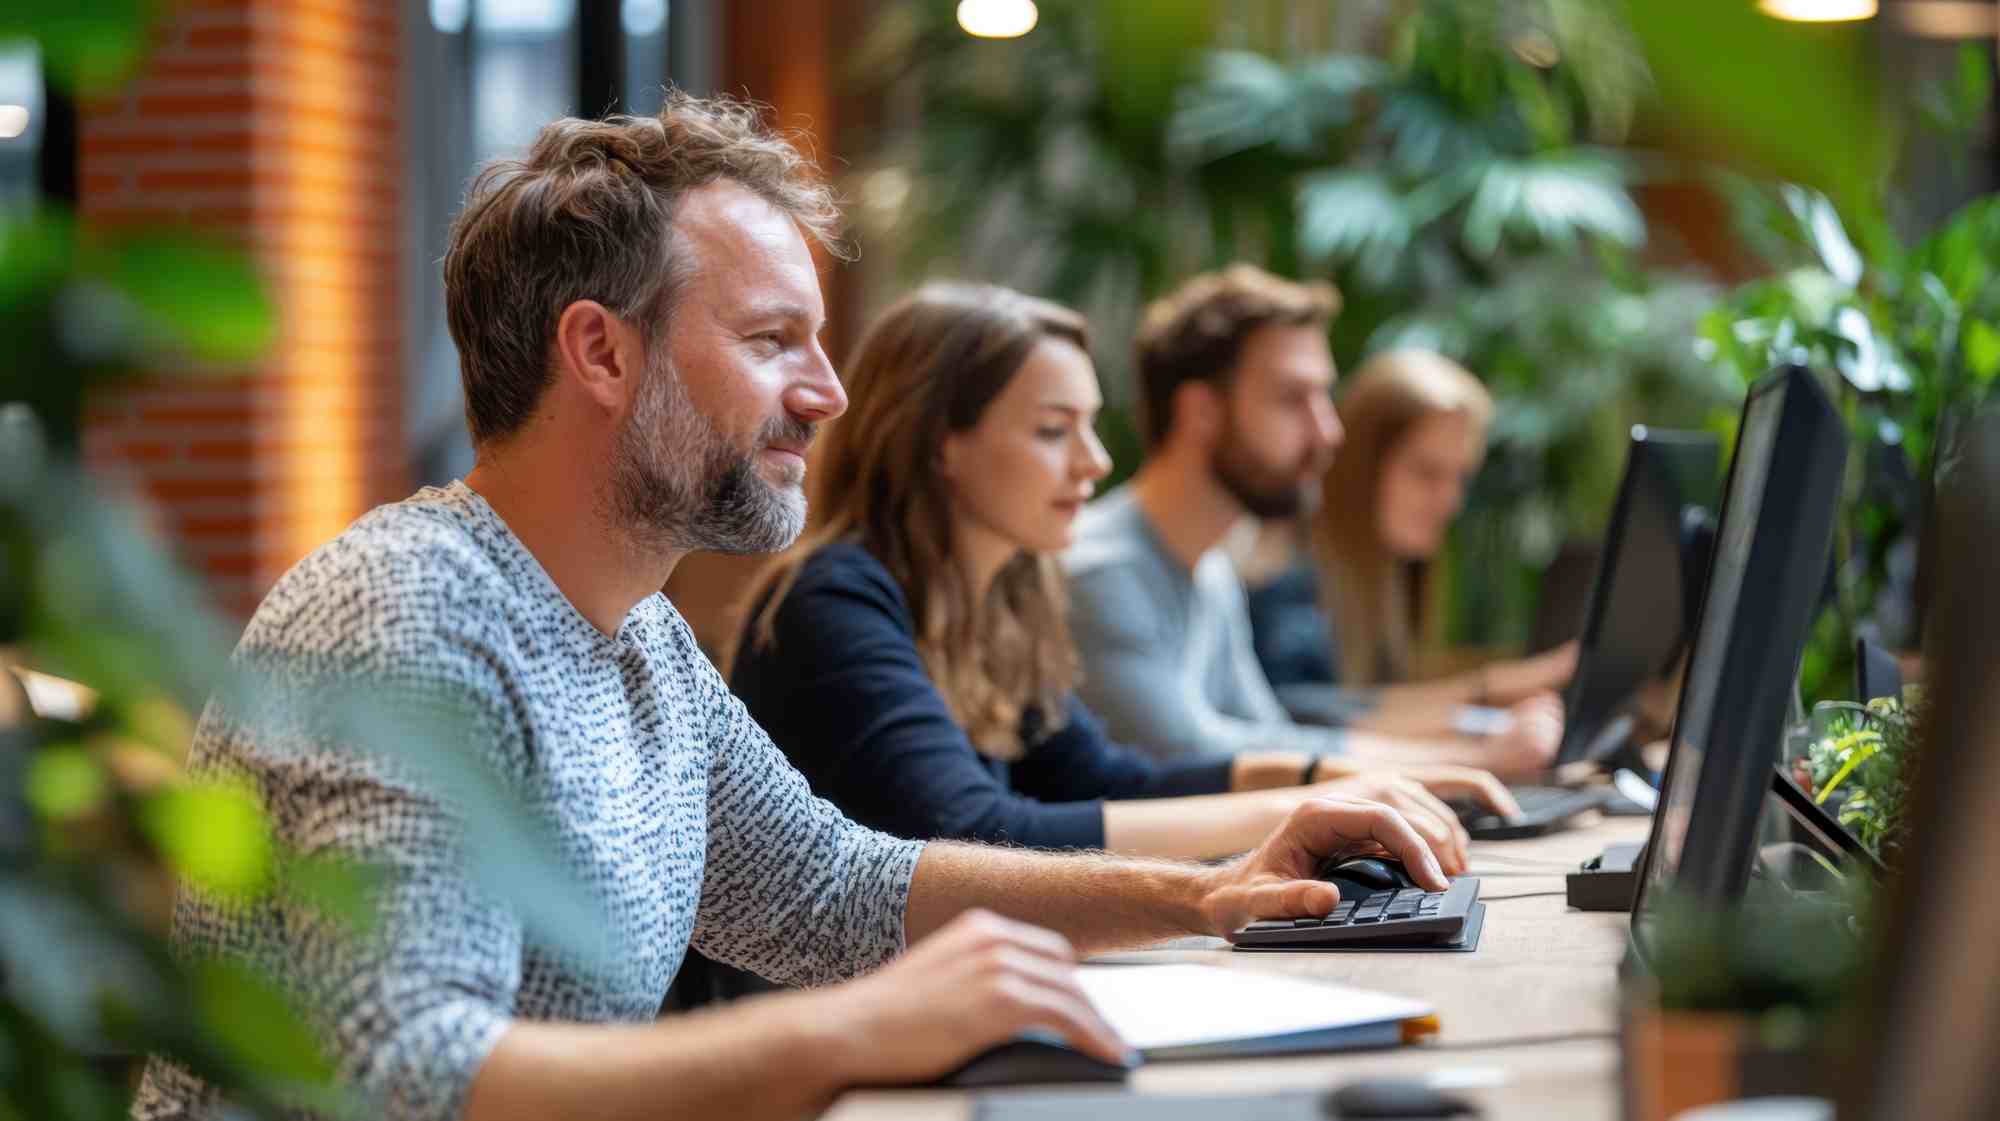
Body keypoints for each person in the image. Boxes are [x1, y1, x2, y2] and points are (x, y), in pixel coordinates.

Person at [131, 96, 1451, 1121]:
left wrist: (1207, 892)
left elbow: (831, 890)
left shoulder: (637, 632)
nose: (826, 391)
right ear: (601, 351)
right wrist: (855, 1034)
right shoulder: (408, 623)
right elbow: (406, 1070)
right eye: (773, 340)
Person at [731, 283, 1519, 870]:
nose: (1096, 463)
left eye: (1091, 426)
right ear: (942, 444)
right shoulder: (832, 601)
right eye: (1052, 430)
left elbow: (1105, 776)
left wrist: (1333, 775)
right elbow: (976, 827)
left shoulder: (1002, 600)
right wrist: (1302, 806)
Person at [1063, 265, 1562, 778]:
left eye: (1324, 396)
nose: (1329, 432)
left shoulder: (1208, 568)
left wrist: (1465, 763)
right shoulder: (1102, 572)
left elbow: (1270, 734)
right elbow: (1193, 757)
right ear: (1201, 412)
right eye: (1292, 399)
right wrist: (1470, 760)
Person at [1307, 349, 1576, 726]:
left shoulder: (1390, 577)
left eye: (1461, 477)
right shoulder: (1295, 576)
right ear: (1360, 466)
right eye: (1427, 472)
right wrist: (1494, 686)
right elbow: (1298, 714)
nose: (1451, 502)